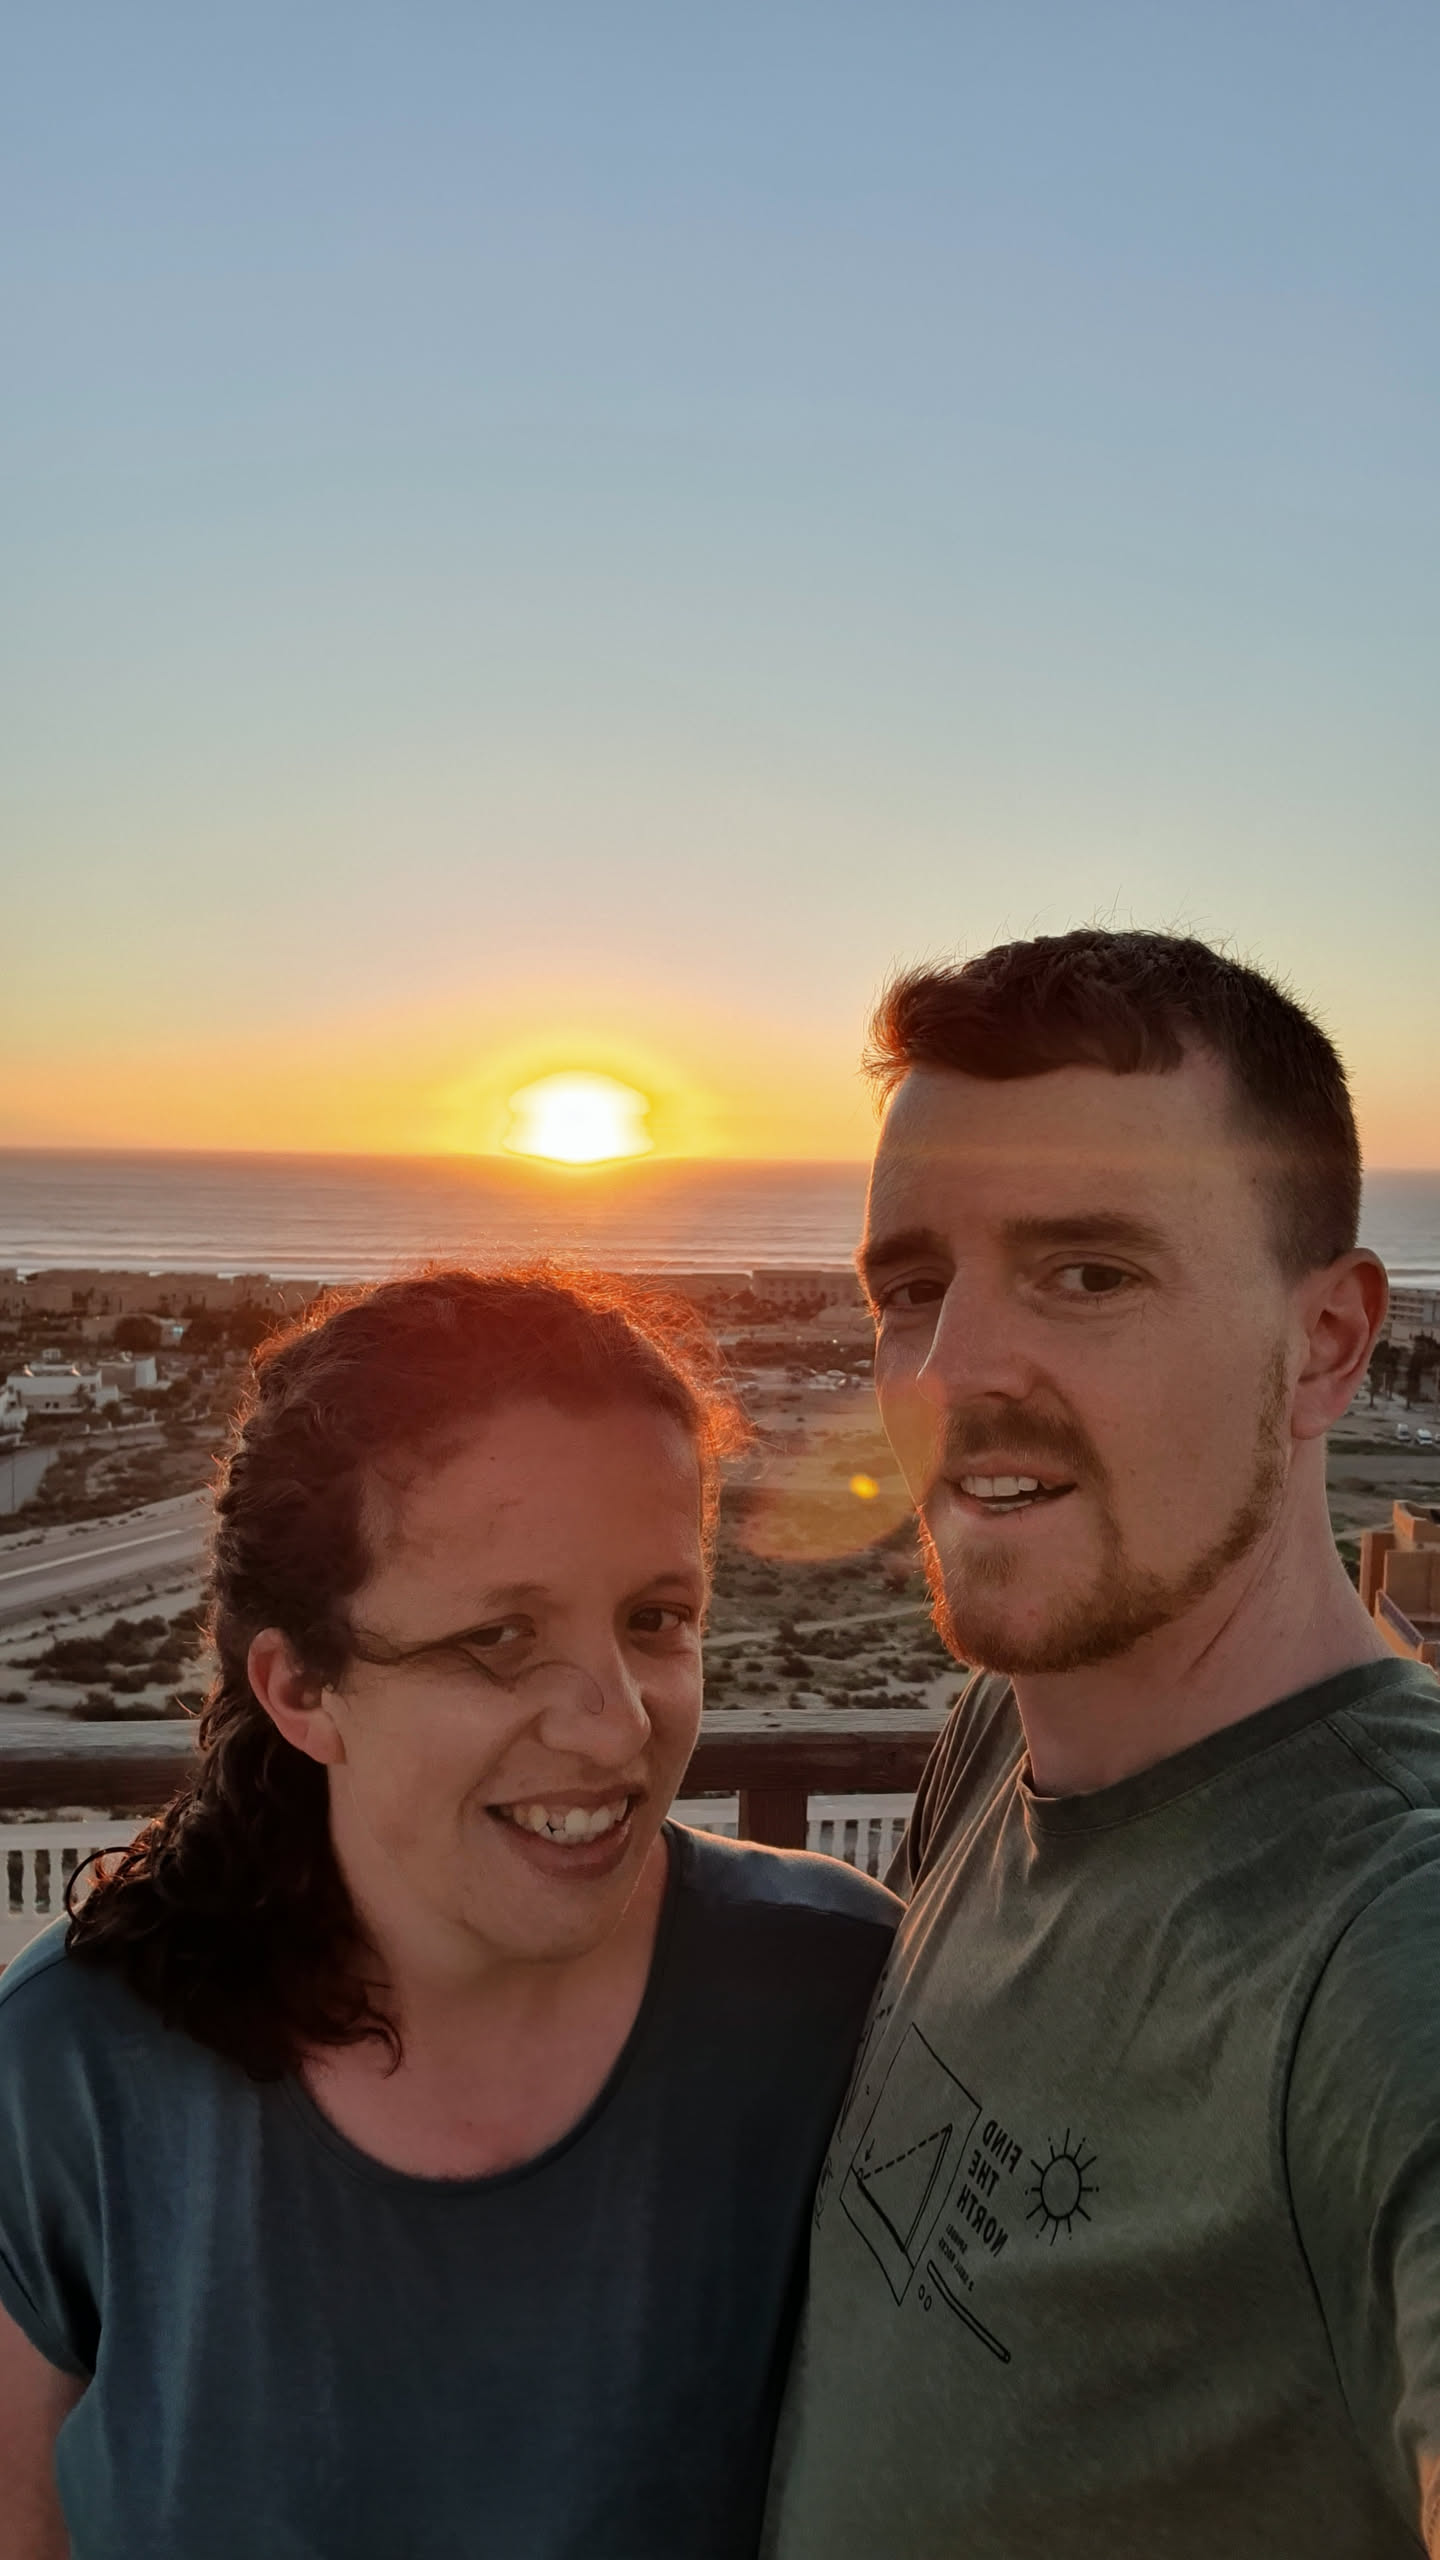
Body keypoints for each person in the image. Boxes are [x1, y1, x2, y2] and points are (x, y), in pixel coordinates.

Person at [0, 1266, 897, 2560]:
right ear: (302, 1690)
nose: (617, 1727)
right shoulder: (79, 2066)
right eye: (499, 1639)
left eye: (657, 1619)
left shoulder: (833, 2001)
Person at [765, 929, 1440, 2559]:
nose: (952, 1372)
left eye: (1089, 1274)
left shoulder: (1386, 1942)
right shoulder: (1005, 1725)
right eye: (911, 1291)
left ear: (1327, 1343)